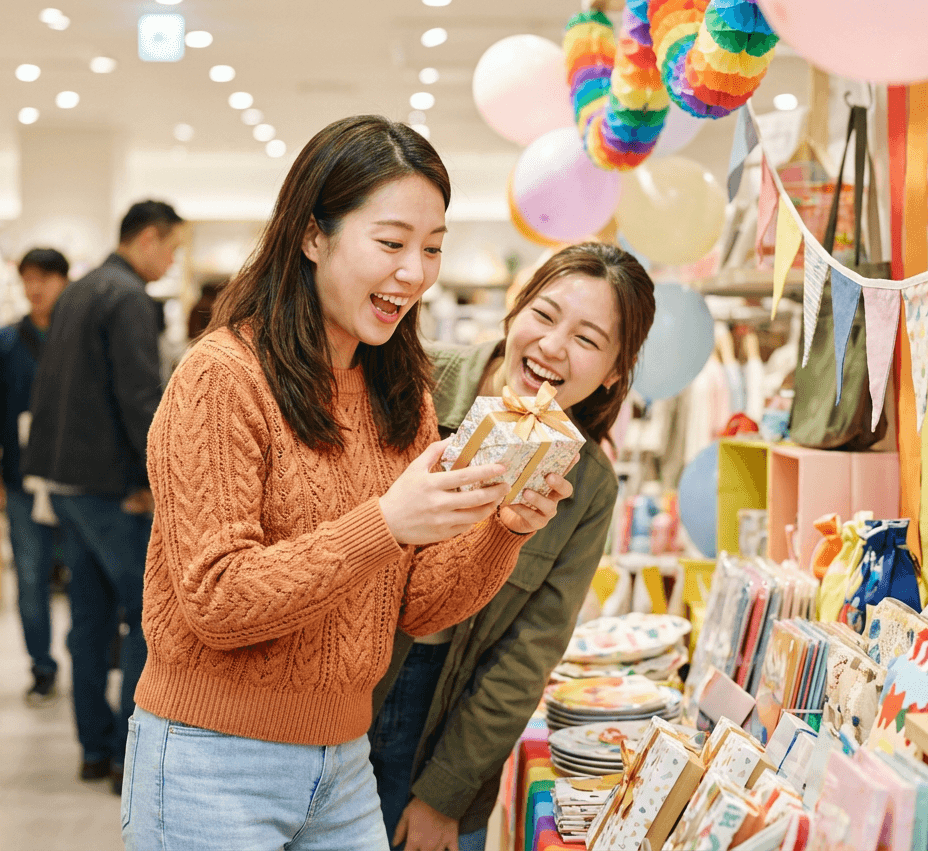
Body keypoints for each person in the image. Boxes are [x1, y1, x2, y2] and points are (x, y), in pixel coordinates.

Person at [121, 115, 574, 851]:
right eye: (391, 243)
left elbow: (420, 606)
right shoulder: (221, 376)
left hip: (343, 762)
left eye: (431, 248)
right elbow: (215, 596)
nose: (415, 272)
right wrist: (385, 522)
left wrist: (505, 529)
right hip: (209, 761)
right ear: (311, 236)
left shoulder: (401, 393)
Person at [369, 242, 657, 851]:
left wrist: (443, 793)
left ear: (613, 372)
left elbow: (530, 651)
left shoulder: (586, 484)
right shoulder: (415, 378)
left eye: (587, 339)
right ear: (514, 310)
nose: (552, 346)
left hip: (453, 715)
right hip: (347, 683)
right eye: (544, 315)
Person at [23, 201, 184, 790]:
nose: (171, 261)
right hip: (114, 487)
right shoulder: (129, 298)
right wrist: (154, 483)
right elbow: (139, 396)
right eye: (171, 247)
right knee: (144, 620)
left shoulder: (80, 290)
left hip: (64, 480)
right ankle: (127, 755)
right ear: (147, 238)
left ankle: (94, 748)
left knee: (88, 621)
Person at [0, 247, 70, 706]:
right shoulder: (5, 342)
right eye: (28, 278)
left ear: (64, 282)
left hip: (77, 477)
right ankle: (41, 665)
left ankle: (89, 659)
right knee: (30, 576)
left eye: (45, 279)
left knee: (84, 572)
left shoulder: (79, 336)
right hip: (19, 475)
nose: (36, 288)